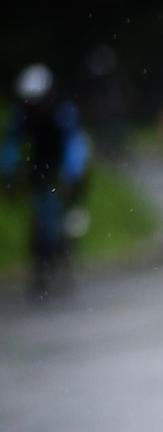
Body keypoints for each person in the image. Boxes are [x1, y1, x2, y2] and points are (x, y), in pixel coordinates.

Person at [2, 65, 91, 298]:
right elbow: (11, 144)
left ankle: (66, 247)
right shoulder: (21, 113)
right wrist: (9, 172)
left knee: (61, 214)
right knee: (40, 220)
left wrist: (71, 175)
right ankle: (41, 264)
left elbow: (74, 146)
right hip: (39, 168)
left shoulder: (62, 112)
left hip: (62, 167)